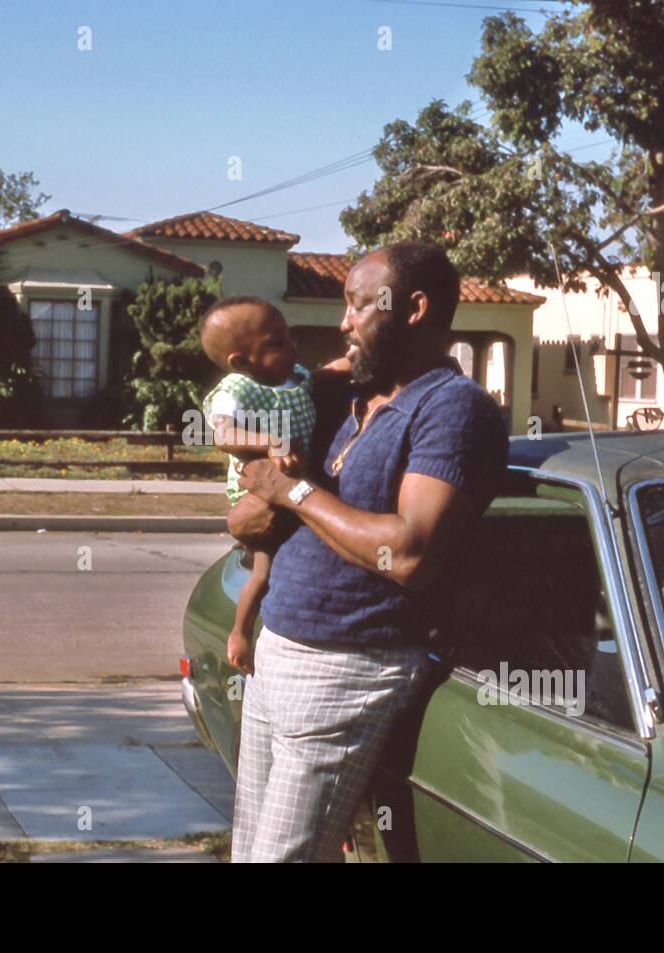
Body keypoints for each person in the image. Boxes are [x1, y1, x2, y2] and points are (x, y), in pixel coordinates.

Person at [227, 241, 508, 863]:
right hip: (280, 648)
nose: (343, 322)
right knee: (249, 850)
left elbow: (409, 554)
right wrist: (260, 502)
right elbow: (249, 517)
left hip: (347, 667)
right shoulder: (344, 399)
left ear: (413, 308)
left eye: (357, 306)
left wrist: (292, 491)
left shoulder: (451, 408)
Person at [198, 296, 341, 675]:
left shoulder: (295, 378)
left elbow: (332, 370)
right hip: (256, 493)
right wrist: (271, 442)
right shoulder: (237, 389)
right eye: (276, 343)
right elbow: (223, 433)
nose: (291, 346)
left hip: (293, 485)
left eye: (288, 336)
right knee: (264, 568)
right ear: (242, 361)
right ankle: (240, 633)